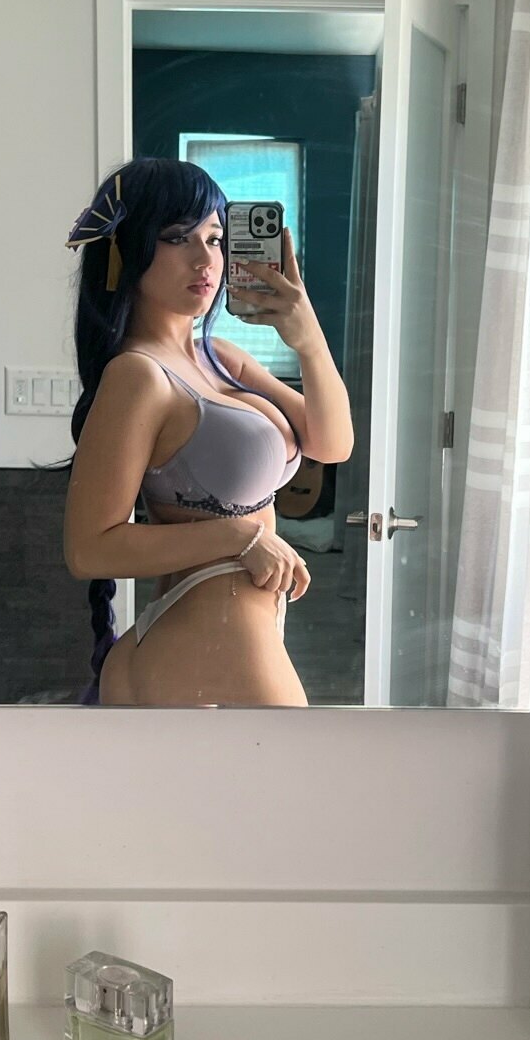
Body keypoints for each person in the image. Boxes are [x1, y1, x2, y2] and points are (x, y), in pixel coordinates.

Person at [64, 158, 353, 706]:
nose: (206, 260)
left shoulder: (218, 357)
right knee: (304, 760)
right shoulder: (138, 375)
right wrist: (240, 535)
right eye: (178, 238)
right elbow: (89, 549)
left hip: (233, 625)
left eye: (215, 239)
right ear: (126, 249)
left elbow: (332, 444)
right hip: (209, 629)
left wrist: (308, 339)